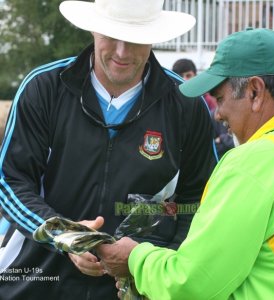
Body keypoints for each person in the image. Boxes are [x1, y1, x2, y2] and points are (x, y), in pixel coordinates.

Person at [0, 0, 217, 299]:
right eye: (111, 36)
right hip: (36, 281)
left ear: (154, 35)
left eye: (135, 38)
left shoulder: (185, 104)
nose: (121, 52)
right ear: (93, 29)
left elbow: (200, 201)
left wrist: (149, 262)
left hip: (138, 289)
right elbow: (11, 182)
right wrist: (65, 236)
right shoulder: (44, 87)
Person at [98, 28, 274, 299]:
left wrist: (135, 258)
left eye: (220, 98)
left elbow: (192, 284)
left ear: (255, 91)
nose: (218, 114)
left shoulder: (253, 163)